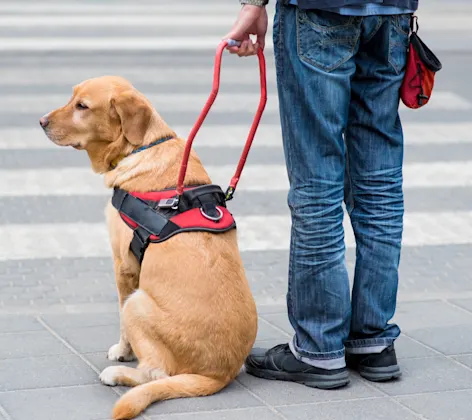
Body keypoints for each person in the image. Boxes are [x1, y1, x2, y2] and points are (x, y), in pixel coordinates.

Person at [224, 0, 417, 389]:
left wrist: (252, 4)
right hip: (392, 13)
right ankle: (372, 339)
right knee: (379, 181)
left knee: (317, 181)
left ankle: (319, 346)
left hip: (319, 11)